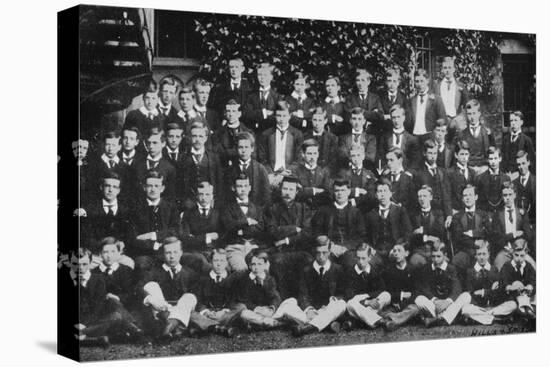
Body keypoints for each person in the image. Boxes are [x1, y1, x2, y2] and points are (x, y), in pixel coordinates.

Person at [139, 237, 199, 340]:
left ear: (181, 253)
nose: (172, 256)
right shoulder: (154, 272)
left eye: (175, 252)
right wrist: (150, 299)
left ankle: (169, 328)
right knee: (151, 285)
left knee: (190, 297)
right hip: (162, 309)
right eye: (168, 253)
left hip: (182, 308)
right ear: (163, 254)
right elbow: (139, 287)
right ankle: (176, 328)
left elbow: (195, 296)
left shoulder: (190, 273)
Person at [266, 176, 314, 298]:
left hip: (299, 249)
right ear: (280, 190)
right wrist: (294, 228)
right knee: (277, 261)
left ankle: (303, 299)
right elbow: (272, 232)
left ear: (296, 192)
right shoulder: (273, 209)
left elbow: (307, 233)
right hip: (280, 251)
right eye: (285, 189)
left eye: (291, 190)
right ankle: (283, 299)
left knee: (308, 260)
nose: (287, 192)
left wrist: (286, 240)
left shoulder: (303, 208)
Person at [290, 237, 347, 336]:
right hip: (312, 311)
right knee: (290, 305)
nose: (321, 256)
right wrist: (309, 309)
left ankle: (308, 328)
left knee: (341, 304)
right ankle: (327, 324)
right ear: (314, 252)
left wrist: (332, 302)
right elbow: (303, 294)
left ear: (329, 252)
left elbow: (343, 293)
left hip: (330, 308)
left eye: (324, 252)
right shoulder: (306, 270)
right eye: (318, 253)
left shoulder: (338, 269)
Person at [129, 171, 181, 274]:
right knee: (141, 264)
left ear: (162, 188)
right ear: (144, 187)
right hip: (145, 253)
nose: (153, 189)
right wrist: (154, 245)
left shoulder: (170, 207)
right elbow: (133, 238)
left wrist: (153, 235)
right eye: (149, 186)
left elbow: (176, 231)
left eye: (156, 186)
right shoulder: (135, 208)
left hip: (169, 252)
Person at [79, 173, 134, 268]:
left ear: (119, 190)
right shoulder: (90, 209)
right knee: (89, 266)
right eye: (107, 186)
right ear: (101, 187)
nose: (110, 190)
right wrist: (100, 248)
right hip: (97, 254)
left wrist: (122, 245)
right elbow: (86, 236)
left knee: (129, 263)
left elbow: (130, 235)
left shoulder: (126, 209)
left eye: (115, 187)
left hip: (117, 254)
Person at [93, 237, 143, 337]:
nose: (109, 256)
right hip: (104, 309)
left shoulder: (126, 270)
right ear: (100, 254)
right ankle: (131, 326)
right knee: (110, 301)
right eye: (105, 252)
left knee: (114, 301)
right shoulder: (94, 273)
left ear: (119, 253)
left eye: (113, 251)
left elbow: (131, 293)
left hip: (124, 307)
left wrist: (117, 297)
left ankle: (127, 326)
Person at [414, 241, 471, 327]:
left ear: (445, 255)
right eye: (433, 256)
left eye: (438, 256)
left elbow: (457, 288)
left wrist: (447, 302)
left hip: (449, 303)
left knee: (466, 296)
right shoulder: (426, 269)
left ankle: (438, 319)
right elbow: (425, 288)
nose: (435, 260)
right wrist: (435, 300)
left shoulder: (451, 268)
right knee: (419, 299)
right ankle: (445, 318)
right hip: (434, 305)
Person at [190, 249, 246, 337]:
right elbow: (199, 301)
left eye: (222, 261)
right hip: (209, 312)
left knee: (241, 307)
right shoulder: (202, 279)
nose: (219, 264)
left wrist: (224, 311)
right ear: (211, 262)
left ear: (227, 263)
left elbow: (234, 300)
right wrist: (206, 312)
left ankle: (208, 325)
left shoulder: (232, 279)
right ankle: (219, 327)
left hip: (226, 313)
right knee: (191, 313)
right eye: (215, 260)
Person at [311, 179, 366, 268]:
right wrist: (331, 246)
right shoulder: (324, 210)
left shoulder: (356, 212)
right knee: (324, 263)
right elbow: (317, 232)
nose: (340, 193)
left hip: (349, 250)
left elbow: (361, 235)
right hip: (328, 248)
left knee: (352, 264)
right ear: (333, 192)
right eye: (337, 190)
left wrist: (346, 247)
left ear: (348, 192)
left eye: (343, 190)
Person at [461, 240, 517, 325]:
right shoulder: (470, 271)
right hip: (479, 306)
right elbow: (471, 292)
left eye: (484, 254)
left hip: (494, 305)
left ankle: (485, 317)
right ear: (475, 256)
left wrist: (484, 292)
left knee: (513, 305)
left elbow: (499, 291)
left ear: (489, 254)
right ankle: (494, 318)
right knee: (465, 309)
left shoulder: (494, 269)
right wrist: (489, 291)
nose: (482, 257)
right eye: (479, 254)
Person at [221, 174, 267, 271]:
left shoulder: (257, 208)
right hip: (235, 248)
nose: (243, 190)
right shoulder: (227, 208)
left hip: (254, 247)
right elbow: (229, 226)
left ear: (249, 188)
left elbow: (260, 228)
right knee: (243, 271)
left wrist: (240, 231)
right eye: (239, 186)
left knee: (264, 270)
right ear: (233, 188)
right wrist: (247, 221)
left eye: (245, 186)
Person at [233, 249, 288, 329]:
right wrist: (256, 308)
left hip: (268, 310)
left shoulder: (269, 279)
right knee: (244, 314)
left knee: (289, 302)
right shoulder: (245, 279)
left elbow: (275, 297)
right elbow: (244, 300)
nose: (257, 268)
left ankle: (264, 322)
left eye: (260, 264)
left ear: (265, 265)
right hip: (254, 311)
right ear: (249, 266)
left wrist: (271, 309)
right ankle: (269, 322)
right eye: (254, 264)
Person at [364, 178, 412, 269]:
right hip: (376, 251)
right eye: (379, 191)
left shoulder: (400, 211)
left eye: (385, 191)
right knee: (371, 265)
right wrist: (371, 249)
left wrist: (397, 247)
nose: (382, 194)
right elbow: (365, 236)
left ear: (390, 193)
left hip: (395, 249)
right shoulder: (370, 214)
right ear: (376, 195)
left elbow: (408, 232)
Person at [180, 181, 223, 274]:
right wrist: (207, 237)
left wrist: (195, 237)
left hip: (213, 252)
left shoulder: (218, 214)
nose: (204, 198)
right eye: (201, 194)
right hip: (194, 252)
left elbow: (221, 237)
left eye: (207, 194)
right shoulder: (188, 214)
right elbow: (186, 239)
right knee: (201, 263)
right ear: (196, 196)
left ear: (212, 196)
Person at [344, 243, 391, 329]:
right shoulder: (349, 272)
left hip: (371, 301)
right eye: (358, 258)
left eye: (363, 258)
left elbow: (381, 288)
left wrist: (371, 298)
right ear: (355, 257)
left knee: (386, 295)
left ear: (369, 258)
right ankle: (379, 321)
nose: (360, 262)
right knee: (350, 304)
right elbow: (349, 295)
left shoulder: (374, 270)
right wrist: (366, 302)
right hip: (357, 302)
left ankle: (359, 320)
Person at [449, 184, 491, 280]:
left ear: (476, 197)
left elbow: (489, 231)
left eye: (470, 195)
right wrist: (475, 243)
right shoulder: (457, 216)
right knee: (456, 260)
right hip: (465, 250)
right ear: (462, 199)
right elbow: (458, 236)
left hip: (482, 249)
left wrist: (474, 233)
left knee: (486, 258)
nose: (467, 198)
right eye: (465, 196)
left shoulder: (483, 214)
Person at [179, 121, 224, 209]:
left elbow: (219, 183)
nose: (197, 140)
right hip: (189, 203)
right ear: (190, 137)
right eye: (194, 136)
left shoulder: (214, 158)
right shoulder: (183, 158)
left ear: (206, 137)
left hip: (209, 202)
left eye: (200, 136)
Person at [258, 101, 303, 185]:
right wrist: (270, 174)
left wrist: (284, 174)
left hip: (290, 175)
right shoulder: (266, 134)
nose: (281, 119)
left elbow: (299, 159)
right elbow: (262, 158)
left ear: (289, 116)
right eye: (279, 115)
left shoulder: (297, 134)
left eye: (284, 116)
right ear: (275, 116)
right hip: (271, 175)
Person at [491, 182, 535, 270]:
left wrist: (520, 244)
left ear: (514, 195)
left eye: (510, 194)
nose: (507, 198)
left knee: (534, 268)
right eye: (505, 195)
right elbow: (497, 238)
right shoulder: (497, 215)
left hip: (520, 252)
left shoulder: (522, 213)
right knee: (498, 269)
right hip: (505, 252)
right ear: (502, 196)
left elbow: (529, 235)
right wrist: (513, 234)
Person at [223, 131, 271, 208]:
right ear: (236, 149)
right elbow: (226, 196)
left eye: (246, 147)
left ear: (252, 149)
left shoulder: (260, 169)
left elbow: (266, 197)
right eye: (240, 147)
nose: (243, 150)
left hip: (256, 213)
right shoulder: (229, 171)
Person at [380, 242, 420, 331]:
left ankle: (391, 320)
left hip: (408, 304)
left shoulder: (413, 269)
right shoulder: (388, 271)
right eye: (394, 251)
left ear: (406, 253)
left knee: (415, 309)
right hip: (393, 304)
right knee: (382, 311)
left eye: (399, 250)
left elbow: (416, 291)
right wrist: (400, 295)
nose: (396, 253)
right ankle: (398, 320)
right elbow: (386, 290)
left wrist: (404, 303)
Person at [413, 139, 452, 222]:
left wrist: (449, 214)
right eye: (430, 153)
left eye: (435, 153)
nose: (433, 156)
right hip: (426, 215)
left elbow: (446, 196)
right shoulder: (418, 173)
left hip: (441, 215)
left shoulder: (442, 172)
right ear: (424, 153)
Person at [408, 185, 446, 270]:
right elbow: (412, 236)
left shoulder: (438, 213)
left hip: (436, 249)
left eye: (424, 196)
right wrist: (428, 237)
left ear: (431, 197)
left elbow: (439, 231)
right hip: (419, 250)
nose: (422, 199)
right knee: (415, 262)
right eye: (420, 196)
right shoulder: (413, 215)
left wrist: (421, 232)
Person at [134, 127, 177, 200]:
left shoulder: (170, 168)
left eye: (155, 143)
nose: (151, 146)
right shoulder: (137, 165)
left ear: (163, 143)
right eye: (148, 143)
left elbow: (170, 196)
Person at [499, 239, 536, 320]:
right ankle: (524, 311)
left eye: (522, 255)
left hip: (526, 295)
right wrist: (511, 287)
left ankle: (526, 311)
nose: (519, 258)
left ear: (526, 254)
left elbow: (533, 279)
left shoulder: (528, 266)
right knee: (513, 304)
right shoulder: (507, 266)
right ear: (512, 253)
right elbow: (503, 282)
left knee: (533, 298)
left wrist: (530, 286)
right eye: (516, 255)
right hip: (511, 296)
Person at [405, 69, 446, 141]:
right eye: (417, 81)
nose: (419, 84)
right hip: (414, 137)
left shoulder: (436, 99)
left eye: (422, 81)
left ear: (427, 81)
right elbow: (407, 122)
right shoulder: (410, 101)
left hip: (430, 136)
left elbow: (442, 119)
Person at [335, 144, 377, 214]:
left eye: (358, 155)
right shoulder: (343, 173)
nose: (356, 158)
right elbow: (339, 191)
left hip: (365, 210)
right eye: (353, 156)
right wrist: (357, 191)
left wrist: (356, 201)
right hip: (347, 209)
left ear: (363, 156)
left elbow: (371, 195)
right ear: (350, 157)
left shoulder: (370, 175)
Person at [456, 99, 495, 174]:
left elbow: (492, 152)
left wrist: (485, 168)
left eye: (474, 113)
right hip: (468, 169)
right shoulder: (462, 134)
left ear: (479, 113)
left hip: (484, 168)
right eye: (469, 114)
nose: (472, 117)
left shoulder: (487, 132)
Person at [212, 99, 255, 166]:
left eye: (234, 111)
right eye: (228, 111)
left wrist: (228, 152)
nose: (231, 114)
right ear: (225, 113)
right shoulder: (217, 134)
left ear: (239, 114)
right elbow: (218, 155)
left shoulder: (249, 133)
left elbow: (252, 155)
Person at [291, 139, 332, 208]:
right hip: (300, 209)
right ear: (303, 154)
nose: (312, 157)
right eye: (309, 154)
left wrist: (305, 190)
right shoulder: (295, 171)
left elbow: (327, 193)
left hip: (319, 210)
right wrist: (315, 190)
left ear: (318, 154)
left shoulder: (324, 172)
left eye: (315, 153)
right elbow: (296, 192)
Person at [378, 104, 420, 170]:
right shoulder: (385, 137)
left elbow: (415, 161)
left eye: (398, 117)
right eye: (394, 117)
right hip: (388, 173)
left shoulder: (412, 139)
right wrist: (385, 170)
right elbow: (380, 157)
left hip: (405, 174)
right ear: (391, 119)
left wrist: (408, 173)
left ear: (404, 118)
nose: (396, 121)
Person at [344, 69, 384, 137]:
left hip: (372, 134)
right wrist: (371, 114)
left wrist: (361, 111)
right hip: (354, 134)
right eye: (358, 80)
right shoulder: (350, 98)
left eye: (363, 80)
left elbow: (380, 116)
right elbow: (347, 116)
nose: (360, 83)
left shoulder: (375, 98)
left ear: (368, 82)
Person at [243, 63, 281, 133]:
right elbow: (247, 114)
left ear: (271, 77)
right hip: (254, 131)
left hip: (272, 133)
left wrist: (256, 114)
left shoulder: (277, 97)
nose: (262, 77)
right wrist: (264, 113)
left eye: (265, 75)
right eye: (260, 75)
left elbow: (279, 116)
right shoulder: (251, 95)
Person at [433, 57, 469, 125]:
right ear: (442, 70)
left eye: (449, 67)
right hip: (442, 122)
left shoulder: (460, 85)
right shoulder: (437, 87)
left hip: (456, 121)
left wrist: (461, 117)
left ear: (454, 69)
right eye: (445, 68)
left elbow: (467, 105)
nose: (447, 70)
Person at [381, 147, 416, 214]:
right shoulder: (384, 177)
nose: (388, 163)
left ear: (400, 160)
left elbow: (413, 203)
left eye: (391, 160)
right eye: (387, 160)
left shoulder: (409, 178)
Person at [475, 146, 509, 214]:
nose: (493, 162)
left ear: (500, 159)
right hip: (485, 214)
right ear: (487, 160)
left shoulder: (506, 178)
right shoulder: (480, 178)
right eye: (491, 159)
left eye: (495, 158)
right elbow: (478, 202)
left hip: (501, 214)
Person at [303, 106, 338, 171]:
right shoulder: (304, 137)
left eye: (320, 120)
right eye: (315, 120)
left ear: (325, 121)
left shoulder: (333, 139)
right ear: (311, 120)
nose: (317, 123)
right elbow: (301, 158)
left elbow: (333, 161)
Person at [447, 140, 475, 213]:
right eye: (462, 154)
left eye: (466, 154)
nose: (464, 157)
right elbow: (447, 196)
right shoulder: (449, 173)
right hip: (455, 210)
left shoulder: (472, 172)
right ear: (456, 155)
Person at [380, 68, 407, 138]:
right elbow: (379, 114)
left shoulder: (404, 98)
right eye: (389, 81)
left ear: (398, 83)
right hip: (383, 132)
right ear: (386, 82)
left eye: (394, 81)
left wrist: (387, 116)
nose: (392, 84)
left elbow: (405, 116)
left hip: (398, 132)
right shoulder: (380, 96)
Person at [512, 150, 536, 225]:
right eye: (519, 164)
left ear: (528, 162)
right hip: (518, 224)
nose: (521, 167)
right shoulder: (513, 183)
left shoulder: (537, 182)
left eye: (523, 163)